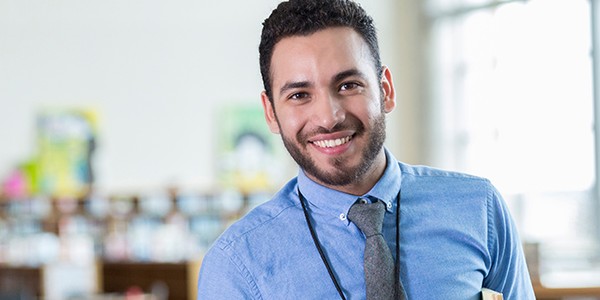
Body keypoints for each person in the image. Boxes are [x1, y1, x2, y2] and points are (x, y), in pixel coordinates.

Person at [197, 0, 535, 299]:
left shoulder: (479, 208)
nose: (329, 118)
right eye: (299, 95)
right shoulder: (237, 264)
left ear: (385, 89)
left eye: (348, 85)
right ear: (271, 112)